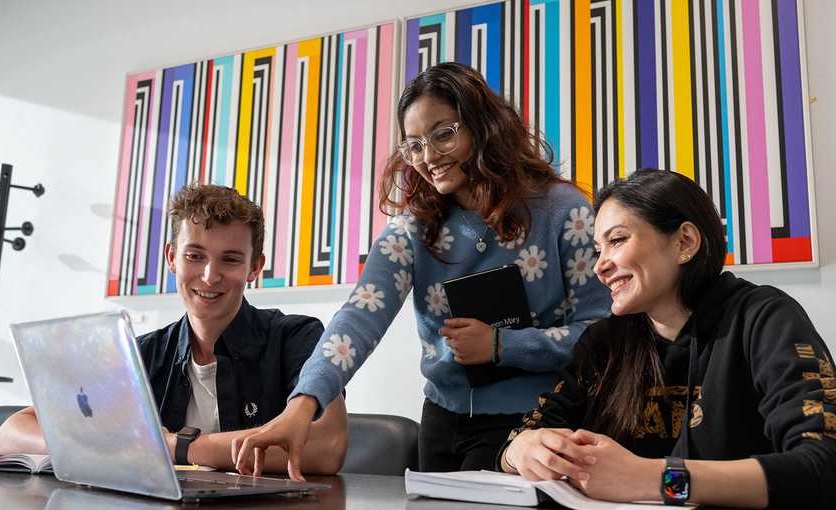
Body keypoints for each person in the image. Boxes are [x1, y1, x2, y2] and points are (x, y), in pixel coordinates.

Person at [231, 62, 611, 478]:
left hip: (537, 422)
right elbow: (359, 318)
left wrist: (505, 345)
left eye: (444, 134)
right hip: (441, 422)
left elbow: (600, 333)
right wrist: (302, 405)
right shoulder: (413, 229)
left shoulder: (562, 210)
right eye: (414, 145)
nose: (428, 157)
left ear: (486, 127)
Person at [498, 169, 836, 508]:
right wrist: (522, 449)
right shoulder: (602, 342)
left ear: (685, 242)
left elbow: (823, 464)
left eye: (616, 241)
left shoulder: (763, 318)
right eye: (598, 249)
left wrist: (655, 480)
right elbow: (525, 436)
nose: (600, 266)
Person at [0, 183, 347, 475]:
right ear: (170, 257)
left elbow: (327, 447)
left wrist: (176, 447)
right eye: (194, 256)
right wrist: (114, 449)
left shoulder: (298, 336)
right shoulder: (140, 354)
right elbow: (11, 433)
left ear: (255, 267)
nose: (210, 276)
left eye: (230, 259)